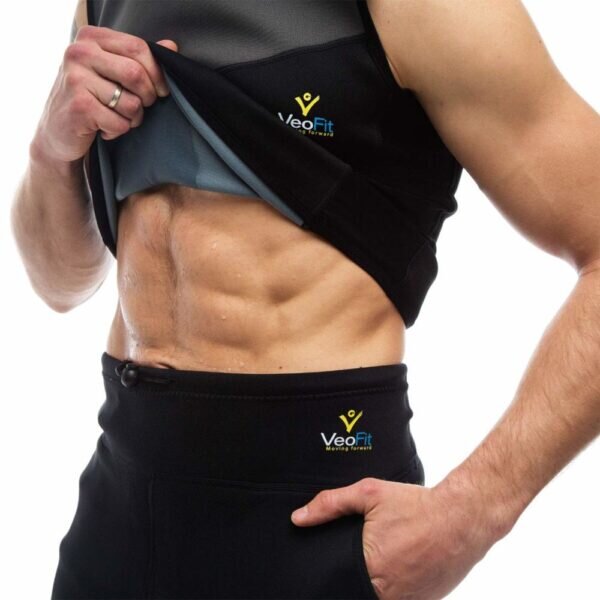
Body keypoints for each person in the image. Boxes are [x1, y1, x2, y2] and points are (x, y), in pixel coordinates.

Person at [10, 0, 599, 599]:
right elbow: (59, 283)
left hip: (314, 511)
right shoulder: (104, 6)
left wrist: (472, 512)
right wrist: (50, 151)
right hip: (118, 511)